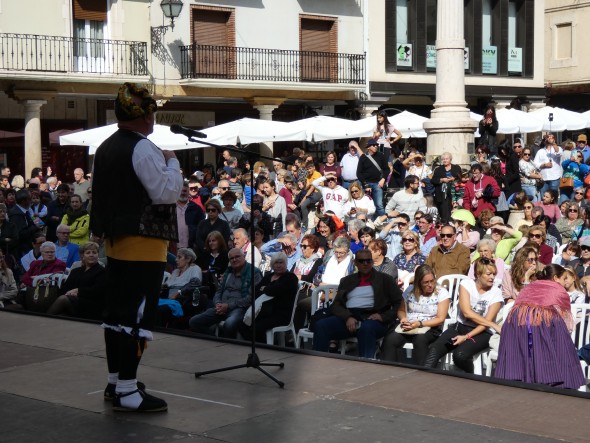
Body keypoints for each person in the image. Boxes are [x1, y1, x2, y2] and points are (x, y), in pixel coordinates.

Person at [90, 82, 183, 412]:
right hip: (143, 243)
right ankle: (128, 392)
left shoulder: (105, 147)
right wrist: (173, 162)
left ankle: (116, 381)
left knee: (116, 315)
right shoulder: (143, 148)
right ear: (146, 116)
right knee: (136, 318)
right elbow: (166, 192)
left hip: (117, 242)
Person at [496, 264, 585, 389]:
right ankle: (558, 378)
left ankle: (521, 375)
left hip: (516, 321)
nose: (565, 282)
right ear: (555, 278)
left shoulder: (531, 285)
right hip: (540, 319)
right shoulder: (558, 289)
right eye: (564, 278)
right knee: (560, 336)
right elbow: (565, 317)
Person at [313, 248, 403, 359]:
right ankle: (318, 361)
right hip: (351, 317)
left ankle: (365, 366)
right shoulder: (346, 281)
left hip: (373, 318)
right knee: (321, 326)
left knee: (366, 328)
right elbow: (336, 305)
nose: (365, 264)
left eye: (368, 261)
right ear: (356, 263)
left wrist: (383, 316)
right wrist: (347, 317)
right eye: (361, 261)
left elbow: (399, 302)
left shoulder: (385, 280)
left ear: (372, 262)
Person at [424, 258, 503, 373]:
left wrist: (466, 337)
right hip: (460, 327)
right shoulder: (466, 284)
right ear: (478, 274)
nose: (492, 277)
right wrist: (493, 324)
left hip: (483, 332)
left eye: (494, 274)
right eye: (488, 274)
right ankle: (425, 378)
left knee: (460, 355)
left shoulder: (496, 293)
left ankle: (470, 379)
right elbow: (467, 313)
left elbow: (485, 324)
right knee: (435, 349)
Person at [381, 264, 450, 365]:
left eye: (432, 281)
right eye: (426, 282)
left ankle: (423, 372)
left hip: (430, 326)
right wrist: (403, 318)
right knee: (390, 339)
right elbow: (401, 310)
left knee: (420, 340)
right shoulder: (410, 290)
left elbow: (440, 318)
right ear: (419, 283)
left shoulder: (441, 292)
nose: (430, 285)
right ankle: (389, 369)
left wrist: (420, 324)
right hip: (410, 324)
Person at [189, 248, 261, 338]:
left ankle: (227, 346)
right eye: (231, 258)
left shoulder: (254, 273)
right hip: (221, 307)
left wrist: (228, 306)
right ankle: (215, 341)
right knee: (194, 321)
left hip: (240, 309)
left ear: (244, 256)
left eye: (237, 257)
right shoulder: (228, 271)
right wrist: (218, 304)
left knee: (229, 325)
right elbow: (219, 291)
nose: (234, 260)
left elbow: (251, 298)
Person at [239, 251, 299, 342]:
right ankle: (255, 344)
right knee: (242, 324)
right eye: (276, 263)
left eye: (281, 262)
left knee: (257, 327)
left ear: (286, 264)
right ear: (272, 264)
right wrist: (267, 289)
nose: (278, 265)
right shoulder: (268, 276)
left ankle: (263, 347)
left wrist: (266, 288)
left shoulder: (291, 277)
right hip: (262, 312)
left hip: (280, 314)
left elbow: (275, 290)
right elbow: (256, 291)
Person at [47, 241, 106, 320]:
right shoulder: (76, 271)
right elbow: (66, 287)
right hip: (74, 302)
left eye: (94, 253)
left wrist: (78, 291)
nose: (91, 255)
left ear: (97, 255)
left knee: (63, 299)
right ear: (82, 256)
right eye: (88, 253)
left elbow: (98, 291)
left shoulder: (102, 271)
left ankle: (44, 319)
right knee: (60, 314)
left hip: (92, 304)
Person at [356, 139, 389, 217]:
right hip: (366, 184)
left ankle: (383, 223)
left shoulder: (381, 155)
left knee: (379, 205)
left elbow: (386, 169)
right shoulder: (363, 157)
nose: (375, 146)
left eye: (376, 145)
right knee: (364, 204)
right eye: (373, 145)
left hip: (378, 183)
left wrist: (383, 179)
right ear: (368, 147)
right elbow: (359, 173)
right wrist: (365, 184)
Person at [431, 152, 462, 223]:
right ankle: (445, 222)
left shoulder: (456, 168)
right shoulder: (438, 169)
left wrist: (453, 179)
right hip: (442, 194)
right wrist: (442, 180)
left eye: (447, 159)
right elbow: (433, 180)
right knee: (444, 211)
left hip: (454, 192)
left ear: (450, 159)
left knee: (454, 209)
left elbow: (461, 178)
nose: (445, 160)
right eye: (443, 159)